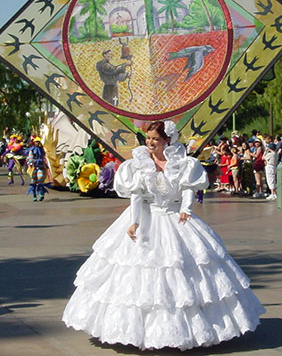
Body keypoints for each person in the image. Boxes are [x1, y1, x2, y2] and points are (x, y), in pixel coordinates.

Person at [62, 120, 264, 350]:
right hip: (146, 220)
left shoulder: (182, 164)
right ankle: (137, 330)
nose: (150, 143)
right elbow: (136, 195)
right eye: (148, 139)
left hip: (174, 218)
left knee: (182, 274)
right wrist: (134, 222)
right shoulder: (139, 164)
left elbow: (188, 188)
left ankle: (187, 329)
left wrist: (186, 210)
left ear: (166, 140)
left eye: (155, 139)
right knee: (137, 276)